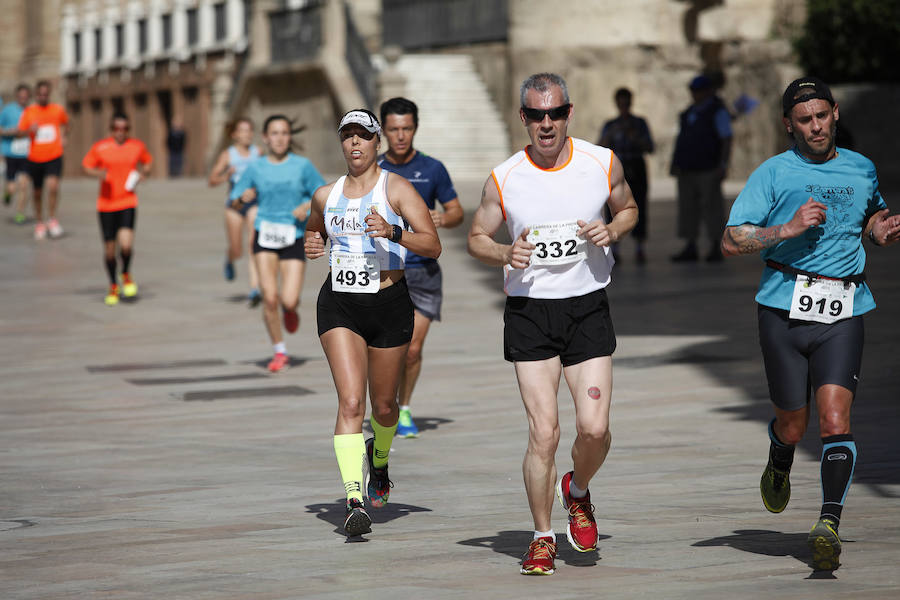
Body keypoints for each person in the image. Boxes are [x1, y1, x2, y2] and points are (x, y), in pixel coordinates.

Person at [721, 76, 900, 571]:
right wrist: (787, 228)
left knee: (836, 421)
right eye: (804, 120)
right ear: (789, 125)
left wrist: (879, 231)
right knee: (794, 424)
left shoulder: (862, 168)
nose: (816, 126)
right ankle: (781, 452)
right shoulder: (774, 173)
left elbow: (870, 214)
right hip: (782, 310)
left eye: (822, 116)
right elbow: (731, 240)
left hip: (844, 312)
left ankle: (828, 522)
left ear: (836, 113)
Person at [467, 73, 637, 575]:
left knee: (595, 429)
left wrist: (612, 228)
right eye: (536, 115)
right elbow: (477, 234)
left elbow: (628, 209)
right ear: (523, 118)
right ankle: (542, 536)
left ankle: (577, 490)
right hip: (530, 313)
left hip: (586, 306)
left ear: (569, 114)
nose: (546, 124)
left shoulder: (600, 162)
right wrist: (502, 249)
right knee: (544, 432)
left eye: (555, 113)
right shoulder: (505, 176)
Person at [304, 109, 440, 537]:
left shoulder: (395, 189)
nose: (355, 144)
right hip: (340, 304)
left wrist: (394, 233)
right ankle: (353, 497)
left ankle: (378, 459)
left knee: (384, 407)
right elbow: (313, 231)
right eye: (348, 136)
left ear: (377, 142)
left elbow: (433, 245)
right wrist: (312, 242)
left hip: (389, 303)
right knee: (350, 404)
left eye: (363, 136)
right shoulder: (326, 195)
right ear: (341, 143)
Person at [377, 97, 463, 438]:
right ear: (383, 131)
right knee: (386, 348)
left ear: (415, 128)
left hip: (423, 270)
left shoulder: (432, 168)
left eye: (407, 129)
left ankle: (405, 408)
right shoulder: (373, 170)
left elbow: (456, 211)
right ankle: (384, 405)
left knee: (412, 348)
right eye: (394, 129)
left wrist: (444, 217)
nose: (401, 136)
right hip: (382, 269)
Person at [230, 115, 325, 372]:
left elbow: (322, 194)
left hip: (293, 236)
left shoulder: (303, 165)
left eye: (284, 133)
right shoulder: (255, 167)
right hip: (265, 233)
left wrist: (306, 206)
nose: (280, 138)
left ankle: (291, 311)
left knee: (289, 300)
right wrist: (244, 198)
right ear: (265, 138)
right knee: (269, 298)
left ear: (289, 137)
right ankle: (279, 350)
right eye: (274, 133)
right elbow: (235, 198)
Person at [82, 113, 153, 306]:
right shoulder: (101, 148)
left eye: (125, 129)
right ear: (111, 129)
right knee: (110, 251)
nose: (121, 133)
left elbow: (147, 162)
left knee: (127, 245)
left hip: (127, 201)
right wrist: (99, 173)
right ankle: (113, 284)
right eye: (117, 129)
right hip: (105, 204)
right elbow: (86, 166)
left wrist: (143, 173)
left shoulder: (136, 146)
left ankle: (126, 274)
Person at [670, 74, 732, 262]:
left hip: (708, 167)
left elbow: (726, 139)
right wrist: (675, 162)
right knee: (688, 208)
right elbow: (681, 139)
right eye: (693, 91)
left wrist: (723, 164)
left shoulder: (717, 112)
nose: (695, 94)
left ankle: (716, 245)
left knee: (712, 207)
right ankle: (691, 245)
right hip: (687, 168)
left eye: (698, 91)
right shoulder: (689, 112)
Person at [208, 117, 263, 306]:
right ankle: (230, 258)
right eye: (243, 131)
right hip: (234, 205)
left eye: (250, 130)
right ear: (235, 135)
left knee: (252, 245)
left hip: (254, 203)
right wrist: (226, 175)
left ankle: (255, 289)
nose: (247, 134)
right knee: (237, 249)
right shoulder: (228, 155)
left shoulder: (258, 152)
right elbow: (211, 180)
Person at [599, 87, 654, 263]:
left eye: (626, 103)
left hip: (635, 167)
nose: (623, 106)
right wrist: (610, 134)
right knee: (612, 206)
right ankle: (614, 247)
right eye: (620, 103)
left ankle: (640, 247)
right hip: (617, 168)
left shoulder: (639, 123)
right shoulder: (610, 125)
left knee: (639, 206)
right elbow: (600, 147)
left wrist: (634, 136)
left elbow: (650, 147)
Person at [17, 80, 69, 240]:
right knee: (37, 192)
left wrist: (64, 137)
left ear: (49, 94)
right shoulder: (30, 112)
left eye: (46, 94)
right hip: (35, 157)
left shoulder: (57, 110)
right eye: (40, 94)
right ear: (36, 95)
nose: (43, 97)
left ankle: (52, 219)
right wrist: (29, 131)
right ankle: (40, 221)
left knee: (53, 187)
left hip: (54, 155)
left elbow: (67, 124)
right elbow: (19, 133)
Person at [0, 84, 32, 224]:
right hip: (10, 152)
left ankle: (20, 213)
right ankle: (7, 194)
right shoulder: (8, 110)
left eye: (25, 97)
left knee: (24, 185)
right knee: (12, 187)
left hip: (27, 153)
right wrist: (12, 131)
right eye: (21, 97)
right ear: (17, 96)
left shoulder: (32, 110)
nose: (23, 99)